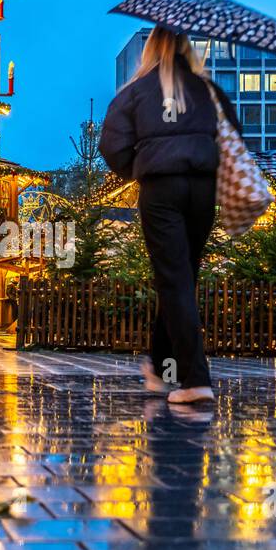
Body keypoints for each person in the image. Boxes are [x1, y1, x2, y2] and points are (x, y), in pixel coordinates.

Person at [99, 25, 228, 405]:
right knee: (181, 277)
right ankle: (160, 365)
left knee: (174, 279)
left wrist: (138, 167)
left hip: (161, 190)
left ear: (151, 48)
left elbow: (112, 144)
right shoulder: (206, 90)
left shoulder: (137, 92)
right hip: (203, 190)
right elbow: (227, 135)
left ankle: (195, 379)